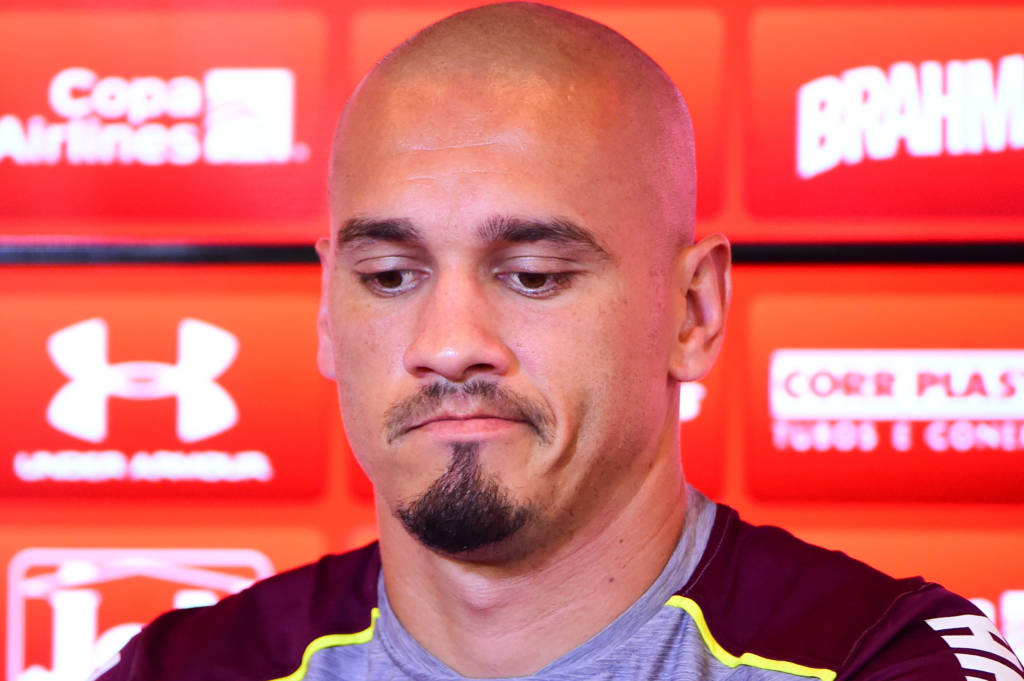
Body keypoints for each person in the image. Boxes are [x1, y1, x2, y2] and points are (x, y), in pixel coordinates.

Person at [96, 3, 1023, 680]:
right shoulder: (184, 668)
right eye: (390, 276)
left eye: (533, 275)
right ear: (328, 316)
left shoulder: (879, 659)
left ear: (693, 312)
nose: (448, 344)